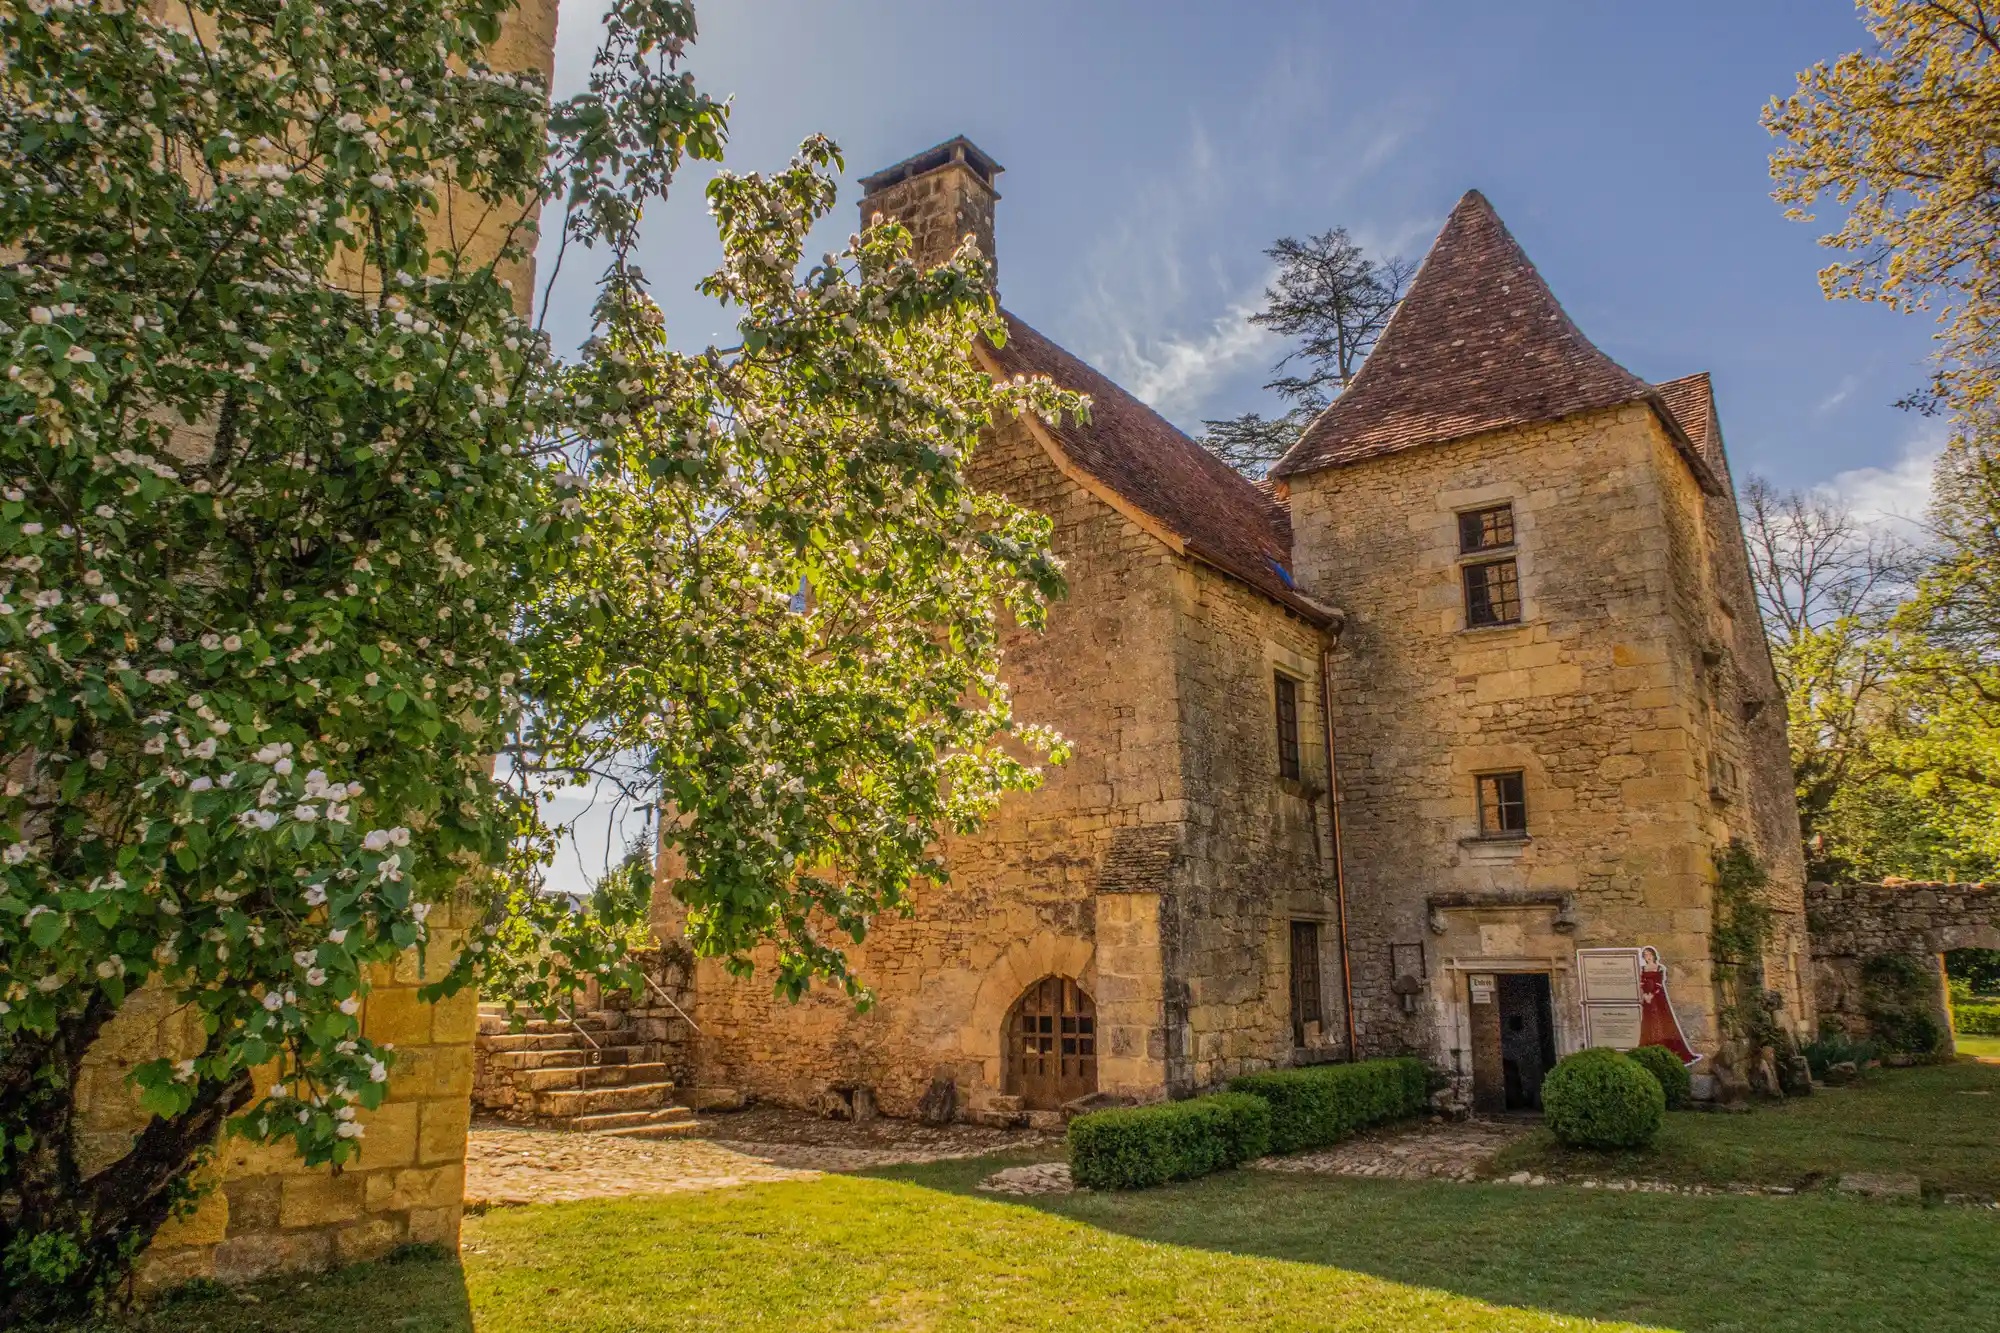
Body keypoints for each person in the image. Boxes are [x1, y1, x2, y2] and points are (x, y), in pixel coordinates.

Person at [1637, 946, 1698, 1063]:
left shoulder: (1660, 968)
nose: (1647, 956)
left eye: (1649, 954)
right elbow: (1642, 982)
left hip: (1658, 997)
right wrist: (1644, 995)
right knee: (1649, 1022)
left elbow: (1659, 983)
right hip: (1647, 998)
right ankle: (1651, 1046)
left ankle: (1665, 1046)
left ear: (1653, 955)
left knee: (1663, 1020)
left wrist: (1652, 995)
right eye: (1645, 955)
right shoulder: (1643, 968)